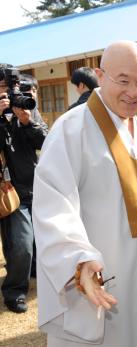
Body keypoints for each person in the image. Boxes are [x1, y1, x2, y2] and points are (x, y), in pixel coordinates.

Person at [33, 41, 137, 346]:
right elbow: (53, 206)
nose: (134, 91)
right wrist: (78, 259)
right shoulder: (71, 130)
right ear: (101, 76)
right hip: (105, 270)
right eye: (123, 80)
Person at [0, 65, 48, 313]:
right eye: (1, 91)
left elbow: (45, 141)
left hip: (31, 187)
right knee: (20, 243)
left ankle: (25, 278)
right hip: (8, 191)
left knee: (28, 241)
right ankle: (14, 291)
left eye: (8, 90)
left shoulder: (26, 108)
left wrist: (27, 121)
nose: (7, 96)